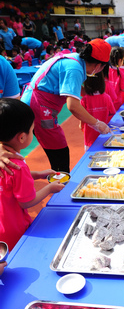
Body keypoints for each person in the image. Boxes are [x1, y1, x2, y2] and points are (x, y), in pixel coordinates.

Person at [21, 39, 112, 172]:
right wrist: (97, 123)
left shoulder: (74, 59)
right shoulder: (75, 68)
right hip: (38, 106)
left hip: (39, 103)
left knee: (58, 148)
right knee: (59, 150)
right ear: (99, 66)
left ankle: (59, 179)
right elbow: (73, 105)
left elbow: (71, 88)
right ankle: (60, 184)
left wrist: (93, 92)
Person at [0, 99, 64, 251]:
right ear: (22, 137)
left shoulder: (5, 161)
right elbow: (26, 201)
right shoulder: (18, 166)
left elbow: (11, 182)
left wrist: (39, 174)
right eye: (32, 130)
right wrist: (50, 189)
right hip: (15, 229)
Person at [80, 72, 115, 149]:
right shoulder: (107, 97)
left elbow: (82, 117)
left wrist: (81, 125)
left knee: (89, 157)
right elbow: (112, 113)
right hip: (105, 135)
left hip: (89, 137)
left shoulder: (84, 100)